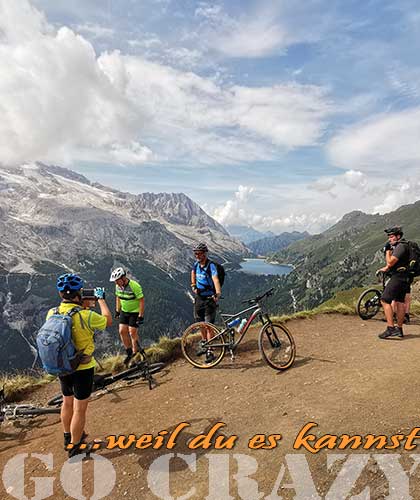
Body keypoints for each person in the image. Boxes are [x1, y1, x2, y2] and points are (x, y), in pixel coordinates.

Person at [48, 273, 112, 457]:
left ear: (61, 295)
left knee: (67, 402)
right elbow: (107, 320)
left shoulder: (52, 313)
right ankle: (76, 448)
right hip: (83, 368)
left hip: (62, 367)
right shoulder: (86, 315)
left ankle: (68, 437)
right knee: (79, 408)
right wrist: (101, 300)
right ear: (79, 294)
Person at [377, 227, 411, 339]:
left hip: (398, 277)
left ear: (398, 236)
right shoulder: (404, 246)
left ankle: (390, 328)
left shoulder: (401, 246)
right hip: (405, 277)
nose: (389, 239)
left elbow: (391, 262)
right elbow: (396, 263)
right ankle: (399, 330)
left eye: (391, 237)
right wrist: (386, 268)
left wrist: (387, 251)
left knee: (384, 300)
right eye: (389, 237)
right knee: (400, 302)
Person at [191, 243, 222, 363]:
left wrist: (218, 293)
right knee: (201, 324)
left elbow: (215, 279)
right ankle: (204, 344)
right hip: (199, 298)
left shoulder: (211, 266)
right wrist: (193, 284)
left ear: (205, 253)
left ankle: (210, 351)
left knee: (209, 326)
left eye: (199, 253)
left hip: (209, 299)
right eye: (196, 253)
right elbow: (192, 272)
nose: (197, 255)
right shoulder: (196, 264)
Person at [110, 267, 145, 365]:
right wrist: (117, 310)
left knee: (132, 332)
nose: (116, 283)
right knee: (122, 331)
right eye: (115, 281)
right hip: (124, 311)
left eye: (117, 280)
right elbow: (118, 297)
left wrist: (140, 315)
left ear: (123, 278)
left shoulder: (134, 286)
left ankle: (135, 353)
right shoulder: (117, 286)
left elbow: (141, 300)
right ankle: (129, 353)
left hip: (135, 312)